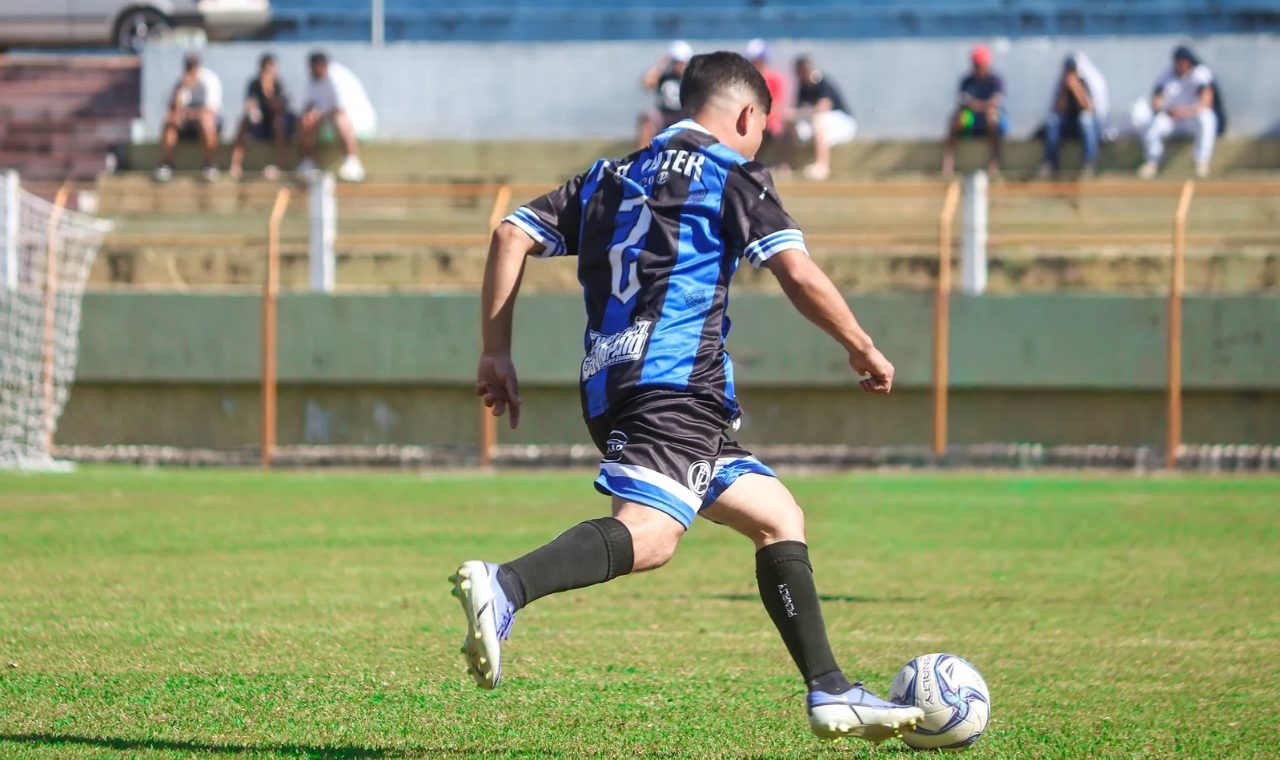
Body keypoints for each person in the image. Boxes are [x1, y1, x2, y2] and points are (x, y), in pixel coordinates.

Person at [452, 51, 924, 745]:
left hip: (613, 383)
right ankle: (507, 586)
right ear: (745, 115)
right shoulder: (733, 173)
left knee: (775, 514)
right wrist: (859, 343)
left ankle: (829, 690)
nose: (762, 138)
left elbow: (510, 233)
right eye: (763, 125)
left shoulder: (610, 176)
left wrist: (495, 350)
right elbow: (794, 269)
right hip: (677, 384)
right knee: (652, 536)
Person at [1138, 46, 1219, 180]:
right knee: (1150, 123)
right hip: (1172, 120)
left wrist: (1184, 112)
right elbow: (1156, 101)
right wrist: (1163, 108)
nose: (1182, 65)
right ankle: (1152, 163)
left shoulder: (1200, 73)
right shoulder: (1166, 76)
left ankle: (1201, 162)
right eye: (1179, 62)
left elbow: (1206, 102)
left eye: (1184, 61)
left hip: (1191, 118)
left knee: (1207, 118)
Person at [298, 52, 376, 183]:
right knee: (304, 120)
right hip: (328, 123)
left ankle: (353, 161)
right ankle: (309, 162)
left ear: (322, 66)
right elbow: (308, 105)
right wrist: (310, 116)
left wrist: (317, 114)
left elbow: (340, 108)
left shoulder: (338, 77)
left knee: (339, 118)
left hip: (358, 122)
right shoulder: (311, 79)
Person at [155, 52, 223, 183]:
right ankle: (167, 164)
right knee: (170, 122)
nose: (191, 70)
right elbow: (174, 110)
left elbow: (210, 111)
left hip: (208, 123)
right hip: (189, 123)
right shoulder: (180, 83)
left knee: (205, 121)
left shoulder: (209, 80)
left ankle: (210, 164)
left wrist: (186, 114)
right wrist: (181, 89)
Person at [1039, 52, 1109, 179]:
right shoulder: (1061, 84)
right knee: (1053, 122)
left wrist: (1076, 88)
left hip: (1085, 126)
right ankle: (1051, 164)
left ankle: (1089, 164)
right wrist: (1066, 90)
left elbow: (1089, 109)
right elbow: (1058, 109)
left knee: (1085, 120)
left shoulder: (1084, 82)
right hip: (1068, 125)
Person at [942, 44, 1008, 178]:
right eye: (976, 65)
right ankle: (948, 161)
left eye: (980, 65)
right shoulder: (967, 81)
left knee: (991, 116)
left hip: (990, 119)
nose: (978, 68)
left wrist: (977, 105)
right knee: (958, 119)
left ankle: (995, 160)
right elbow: (963, 103)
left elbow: (995, 102)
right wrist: (980, 105)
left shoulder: (995, 80)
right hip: (972, 119)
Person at [789, 55, 856, 181]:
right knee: (793, 123)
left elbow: (822, 107)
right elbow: (799, 111)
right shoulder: (802, 87)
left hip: (843, 123)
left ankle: (822, 166)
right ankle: (786, 165)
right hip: (824, 126)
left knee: (817, 119)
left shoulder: (820, 81)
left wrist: (797, 112)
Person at [229, 53, 295, 180]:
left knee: (279, 122)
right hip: (262, 124)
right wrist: (252, 111)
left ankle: (280, 166)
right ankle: (235, 165)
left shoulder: (281, 84)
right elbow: (250, 103)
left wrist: (268, 89)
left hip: (278, 125)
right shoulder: (254, 83)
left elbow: (279, 107)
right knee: (243, 121)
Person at [638, 41, 692, 148]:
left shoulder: (690, 78)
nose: (679, 66)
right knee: (648, 120)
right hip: (663, 114)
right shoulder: (665, 76)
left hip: (683, 115)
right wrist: (660, 64)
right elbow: (647, 83)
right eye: (676, 62)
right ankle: (642, 156)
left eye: (682, 62)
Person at [745, 39, 786, 143]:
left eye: (755, 61)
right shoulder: (744, 80)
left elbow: (775, 105)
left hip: (769, 124)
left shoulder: (774, 79)